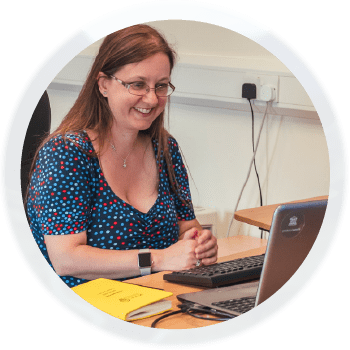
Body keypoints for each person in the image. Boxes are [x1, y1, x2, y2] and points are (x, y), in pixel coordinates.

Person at [25, 24, 218, 288]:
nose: (151, 99)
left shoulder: (165, 148)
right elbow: (66, 259)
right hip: (86, 308)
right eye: (138, 84)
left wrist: (199, 242)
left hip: (160, 300)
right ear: (104, 84)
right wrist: (158, 259)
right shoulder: (67, 154)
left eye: (161, 86)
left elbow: (187, 226)